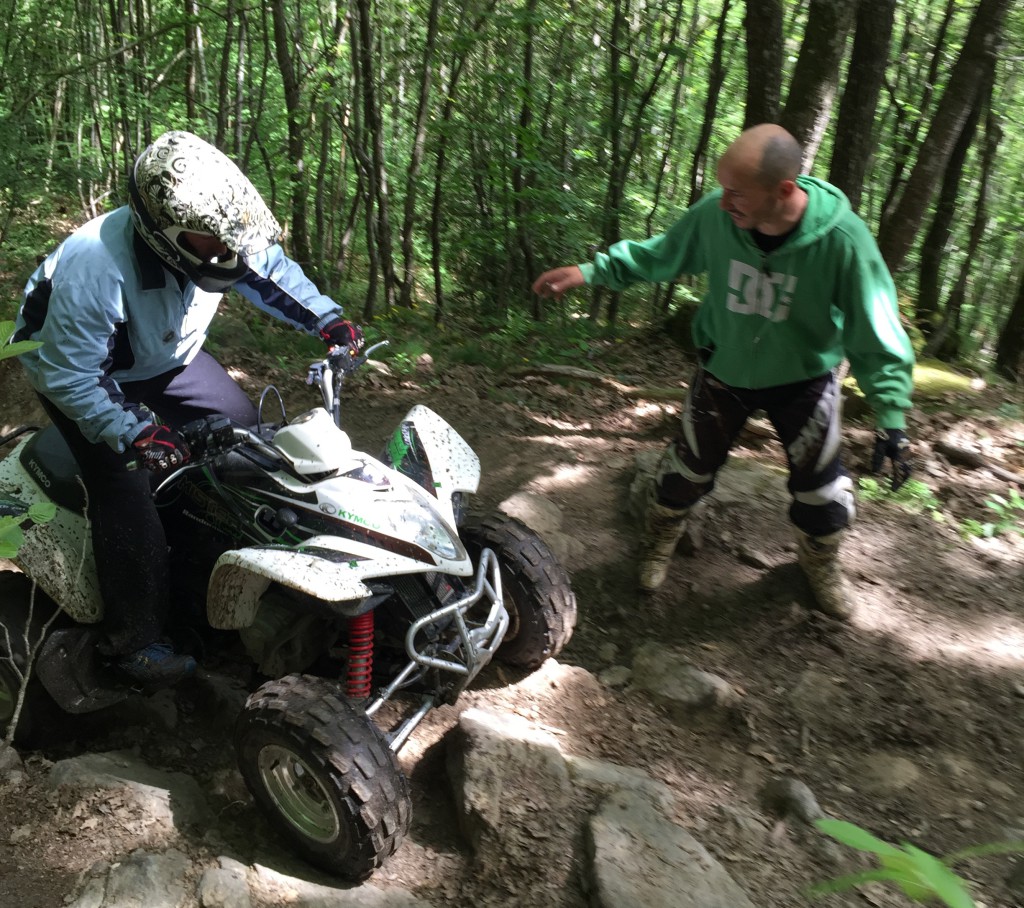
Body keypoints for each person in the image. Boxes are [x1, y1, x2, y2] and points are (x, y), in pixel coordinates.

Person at [11, 130, 363, 683]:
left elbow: (271, 274)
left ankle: (212, 565)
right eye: (211, 241)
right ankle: (134, 642)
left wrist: (328, 321)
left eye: (231, 238)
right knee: (124, 484)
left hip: (166, 359)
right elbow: (69, 373)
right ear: (163, 232)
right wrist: (137, 433)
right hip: (82, 375)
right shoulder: (95, 264)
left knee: (244, 436)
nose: (229, 251)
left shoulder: (220, 235)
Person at [532, 124, 914, 619]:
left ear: (783, 190)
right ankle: (661, 536)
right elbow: (662, 253)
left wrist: (892, 416)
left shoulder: (843, 243)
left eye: (736, 192)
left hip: (805, 378)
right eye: (723, 188)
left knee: (823, 492)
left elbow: (876, 329)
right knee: (686, 473)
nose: (724, 201)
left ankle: (819, 562)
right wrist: (590, 271)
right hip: (724, 370)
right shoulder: (718, 217)